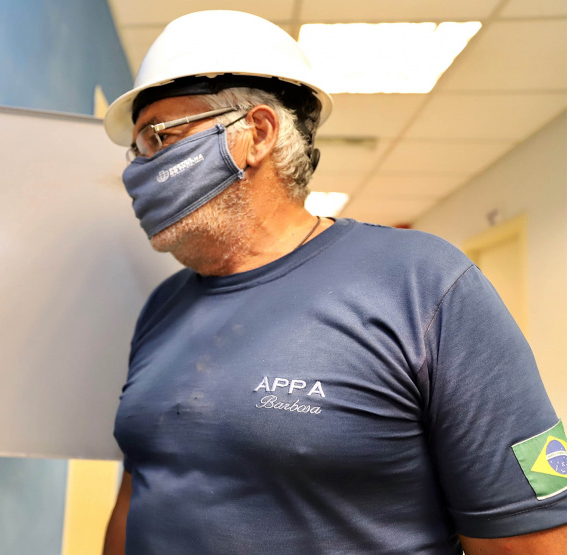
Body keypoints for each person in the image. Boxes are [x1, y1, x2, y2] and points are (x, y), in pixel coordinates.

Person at [100, 10, 567, 554]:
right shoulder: (163, 306)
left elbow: (530, 543)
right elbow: (140, 490)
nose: (139, 171)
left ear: (255, 133)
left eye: (159, 139)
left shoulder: (424, 286)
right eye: (137, 151)